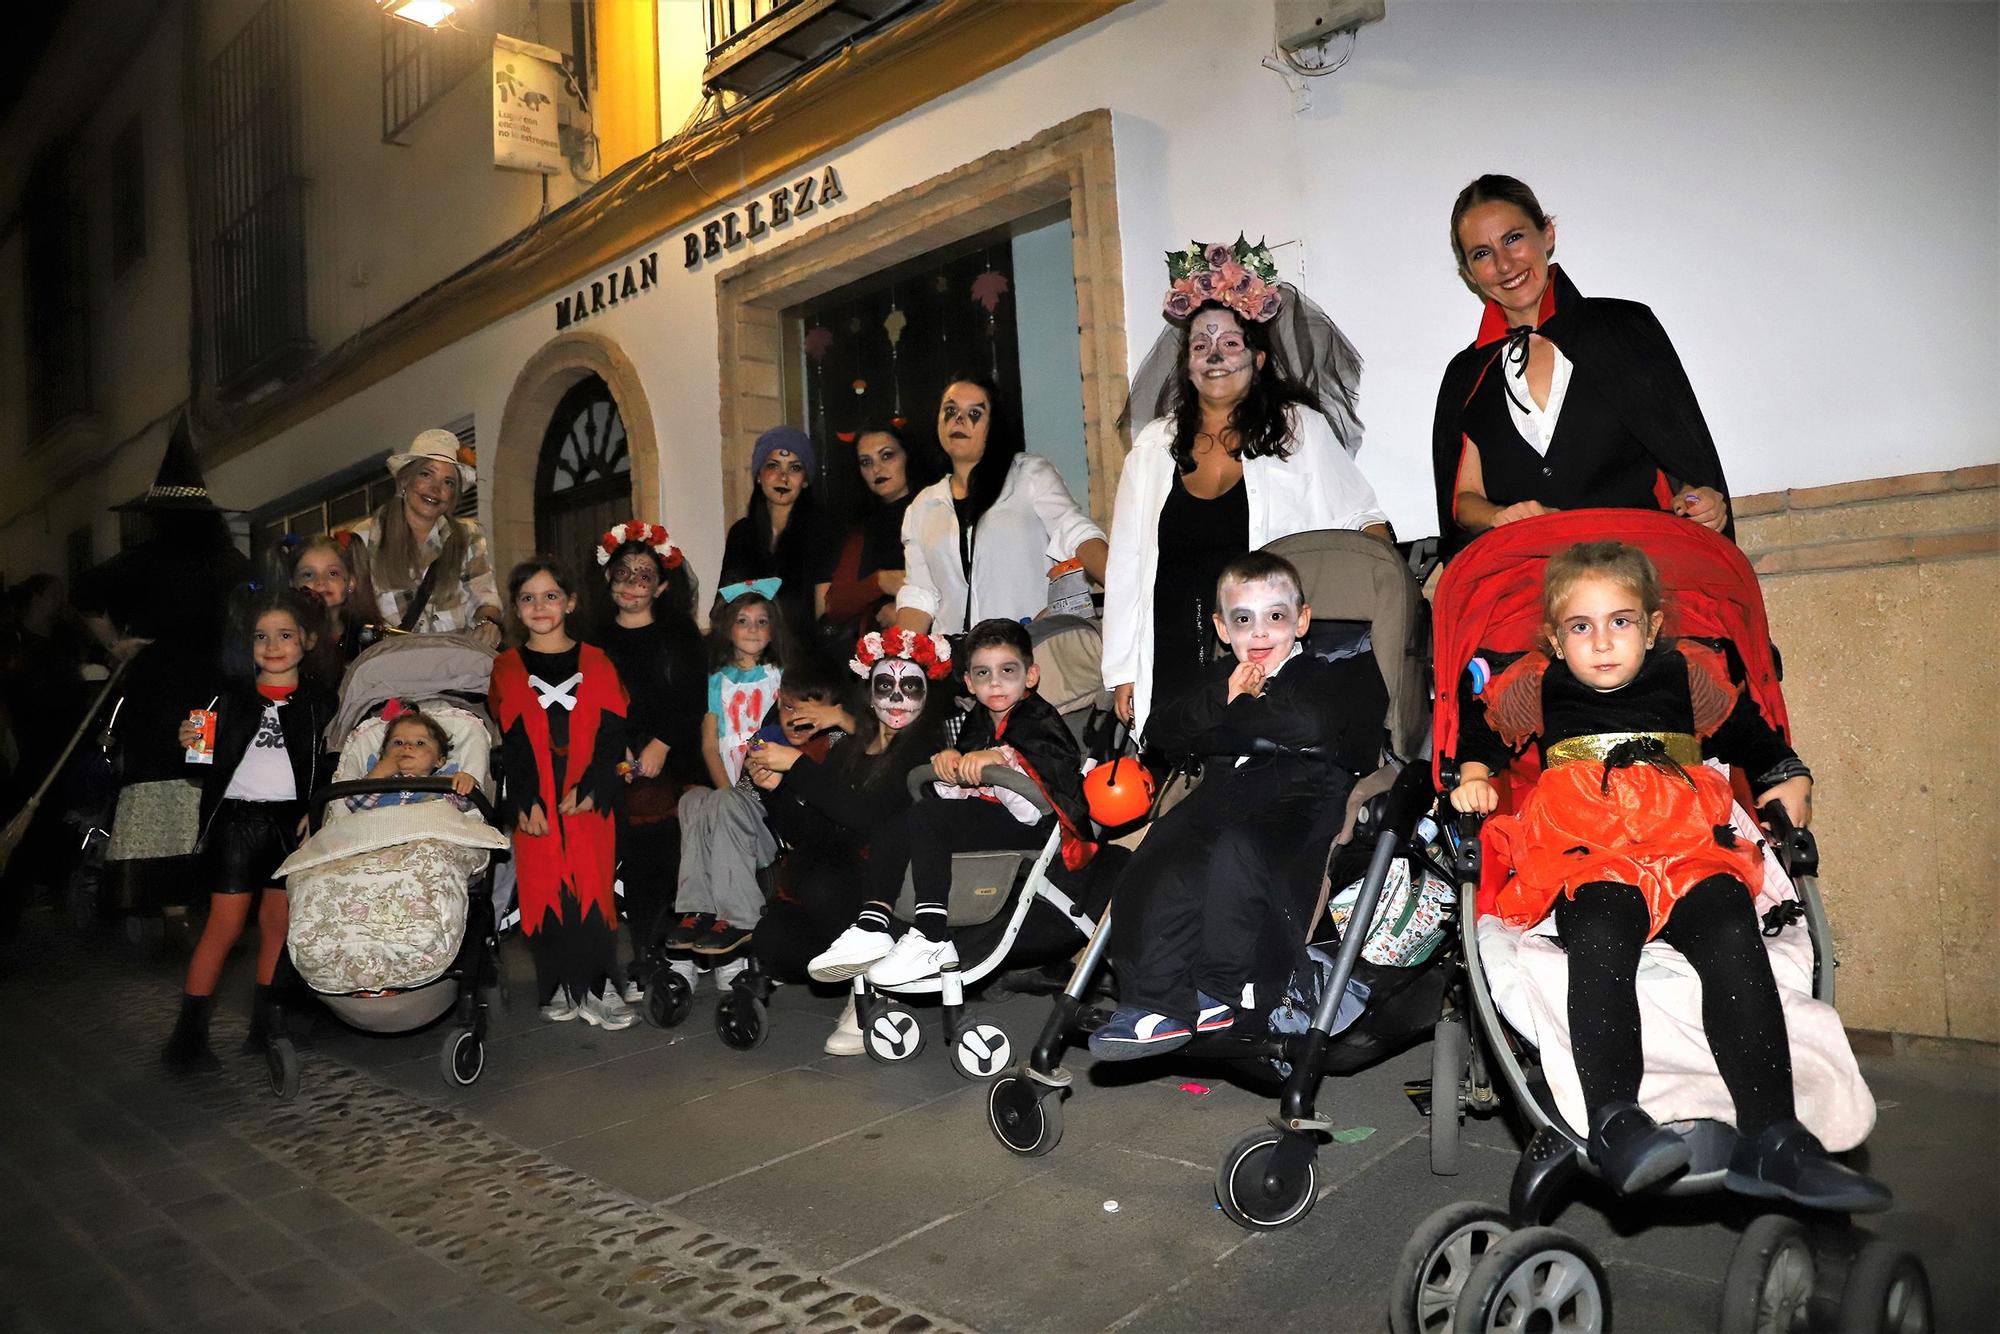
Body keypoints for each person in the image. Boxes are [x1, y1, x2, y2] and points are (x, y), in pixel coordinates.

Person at [1447, 540, 1886, 1210]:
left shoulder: (1685, 674)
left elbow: (1748, 731)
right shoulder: (1537, 684)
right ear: (1554, 639)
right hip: (1588, 842)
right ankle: (1617, 1120)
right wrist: (1475, 773)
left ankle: (1773, 1134)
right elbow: (1480, 730)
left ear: (1652, 627)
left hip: (1683, 837)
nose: (1601, 643)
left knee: (1730, 925)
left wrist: (1785, 773)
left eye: (1620, 622)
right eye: (1580, 627)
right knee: (1598, 928)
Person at [1092, 551, 1386, 1057]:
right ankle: (1155, 1001)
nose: (1261, 633)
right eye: (1243, 620)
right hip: (1226, 792)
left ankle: (1221, 987)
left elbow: (1313, 726)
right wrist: (1224, 699)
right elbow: (1160, 727)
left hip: (1300, 796)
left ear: (1302, 621)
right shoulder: (1221, 680)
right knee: (1161, 856)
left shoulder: (1329, 673)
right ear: (1223, 629)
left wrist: (1228, 720)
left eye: (1276, 616)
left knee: (1239, 851)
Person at [1106, 238, 1392, 737]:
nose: (1214, 356)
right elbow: (1127, 563)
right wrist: (1123, 672)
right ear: (1186, 364)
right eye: (1200, 346)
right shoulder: (1153, 449)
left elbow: (1361, 522)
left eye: (1230, 343)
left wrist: (1387, 605)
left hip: (1265, 655)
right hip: (1172, 655)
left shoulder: (1298, 430)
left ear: (1258, 358)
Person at [1430, 175, 1734, 561]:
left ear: (1548, 234)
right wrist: (1500, 516)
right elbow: (1463, 500)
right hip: (1526, 578)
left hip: (1638, 568)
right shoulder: (1465, 376)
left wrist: (1699, 499)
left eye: (1513, 238)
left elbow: (1684, 470)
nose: (1504, 264)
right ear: (1470, 274)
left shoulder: (1626, 328)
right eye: (1481, 254)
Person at [807, 618, 1092, 987]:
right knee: (900, 822)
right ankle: (873, 922)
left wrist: (1002, 758)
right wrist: (950, 758)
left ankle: (932, 935)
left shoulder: (1040, 719)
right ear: (969, 683)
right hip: (991, 815)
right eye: (983, 673)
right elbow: (966, 761)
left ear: (1031, 675)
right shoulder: (978, 718)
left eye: (1008, 671)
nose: (995, 682)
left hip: (1034, 825)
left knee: (928, 817)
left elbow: (1056, 771)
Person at [76, 416, 252, 927]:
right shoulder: (230, 563)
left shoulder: (144, 560)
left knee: (159, 785)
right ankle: (195, 893)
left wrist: (114, 643)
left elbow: (83, 591)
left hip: (156, 701)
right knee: (202, 783)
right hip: (210, 699)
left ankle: (159, 893)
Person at [747, 628, 954, 1054]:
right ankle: (862, 975)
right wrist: (777, 789)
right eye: (886, 685)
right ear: (868, 690)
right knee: (772, 937)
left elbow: (866, 816)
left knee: (824, 886)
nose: (896, 697)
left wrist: (799, 765)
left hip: (890, 886)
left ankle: (874, 989)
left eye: (910, 686)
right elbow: (814, 832)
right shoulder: (850, 749)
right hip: (833, 880)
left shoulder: (926, 749)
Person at [160, 587, 336, 1074]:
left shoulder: (322, 703)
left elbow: (329, 766)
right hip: (236, 822)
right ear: (248, 644)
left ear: (309, 640)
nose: (273, 645)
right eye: (261, 636)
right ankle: (187, 1038)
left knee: (278, 927)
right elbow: (198, 764)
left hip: (290, 825)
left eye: (285, 635)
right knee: (225, 926)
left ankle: (265, 1027)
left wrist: (315, 812)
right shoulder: (223, 697)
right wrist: (188, 743)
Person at [489, 558, 634, 1030]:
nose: (540, 606)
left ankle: (598, 984)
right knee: (542, 888)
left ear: (570, 602)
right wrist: (523, 801)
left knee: (592, 887)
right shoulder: (506, 669)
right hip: (536, 796)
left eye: (551, 596)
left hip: (588, 792)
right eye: (528, 598)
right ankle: (554, 982)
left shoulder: (597, 661)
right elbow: (511, 742)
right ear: (515, 608)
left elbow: (613, 734)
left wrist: (594, 786)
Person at [593, 522, 708, 1001]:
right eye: (623, 573)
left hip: (676, 751)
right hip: (619, 754)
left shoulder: (679, 631)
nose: (632, 585)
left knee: (661, 823)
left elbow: (693, 696)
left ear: (661, 585)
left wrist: (660, 744)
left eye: (644, 576)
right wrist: (618, 744)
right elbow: (596, 702)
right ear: (609, 579)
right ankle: (645, 948)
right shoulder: (595, 637)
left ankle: (668, 946)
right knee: (637, 825)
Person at [895, 377, 1107, 635]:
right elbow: (920, 592)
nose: (959, 420)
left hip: (1029, 654)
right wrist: (900, 658)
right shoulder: (922, 506)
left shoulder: (1028, 475)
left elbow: (1075, 533)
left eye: (974, 413)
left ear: (993, 426)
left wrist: (1125, 587)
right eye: (950, 410)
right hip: (957, 664)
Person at [664, 669, 847, 964]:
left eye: (808, 710)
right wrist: (755, 763)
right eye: (787, 707)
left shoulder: (835, 742)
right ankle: (699, 907)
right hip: (748, 821)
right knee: (694, 799)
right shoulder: (769, 735)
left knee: (723, 800)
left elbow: (822, 814)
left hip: (784, 833)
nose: (795, 717)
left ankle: (741, 916)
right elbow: (745, 789)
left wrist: (783, 782)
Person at [346, 429, 504, 640]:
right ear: (404, 481)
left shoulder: (467, 539)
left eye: (448, 482)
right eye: (426, 474)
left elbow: (485, 598)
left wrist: (487, 623)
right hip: (392, 667)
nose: (436, 489)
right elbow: (352, 613)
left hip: (454, 666)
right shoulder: (366, 538)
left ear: (453, 496)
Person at [817, 422, 939, 645]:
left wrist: (907, 609)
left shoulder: (937, 511)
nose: (877, 469)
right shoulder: (859, 526)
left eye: (887, 456)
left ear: (908, 456)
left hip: (938, 644)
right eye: (866, 462)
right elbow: (835, 605)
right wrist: (880, 581)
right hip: (877, 655)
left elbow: (959, 584)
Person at [721, 426, 831, 652]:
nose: (783, 477)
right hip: (747, 657)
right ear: (759, 476)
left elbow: (824, 611)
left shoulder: (823, 530)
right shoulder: (741, 534)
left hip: (804, 655)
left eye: (795, 468)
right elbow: (724, 603)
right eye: (773, 466)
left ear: (806, 480)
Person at [278, 531, 379, 676]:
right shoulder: (281, 640)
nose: (320, 582)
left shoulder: (368, 639)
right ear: (293, 585)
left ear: (351, 582)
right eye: (308, 575)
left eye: (332, 573)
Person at [342, 707, 478, 813]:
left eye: (420, 743)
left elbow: (468, 805)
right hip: (382, 839)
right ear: (384, 755)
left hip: (430, 840)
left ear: (439, 761)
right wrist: (377, 775)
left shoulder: (445, 783)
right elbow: (354, 807)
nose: (407, 747)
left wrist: (465, 783)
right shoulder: (376, 781)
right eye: (398, 743)